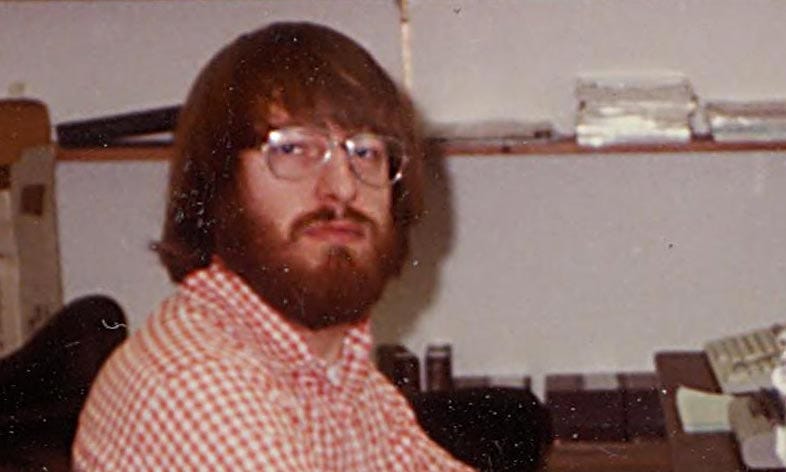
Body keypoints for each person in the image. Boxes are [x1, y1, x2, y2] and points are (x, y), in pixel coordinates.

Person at [72, 22, 472, 471]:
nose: (342, 187)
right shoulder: (200, 387)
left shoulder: (340, 374)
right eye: (294, 149)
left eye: (365, 152)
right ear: (217, 185)